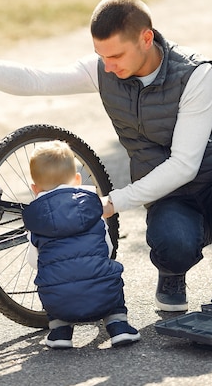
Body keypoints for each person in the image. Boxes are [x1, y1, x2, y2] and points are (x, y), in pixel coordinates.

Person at [0, 0, 212, 312]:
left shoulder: (196, 74)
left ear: (146, 38)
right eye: (101, 56)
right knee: (174, 244)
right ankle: (173, 271)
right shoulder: (105, 69)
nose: (107, 65)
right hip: (170, 199)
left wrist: (113, 202)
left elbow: (185, 165)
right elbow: (39, 80)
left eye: (116, 55)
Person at [23, 140, 140, 349]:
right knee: (109, 273)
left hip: (59, 302)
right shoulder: (92, 206)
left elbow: (35, 261)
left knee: (51, 279)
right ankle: (118, 326)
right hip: (103, 295)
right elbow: (108, 248)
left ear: (35, 189)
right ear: (77, 180)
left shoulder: (36, 218)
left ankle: (60, 331)